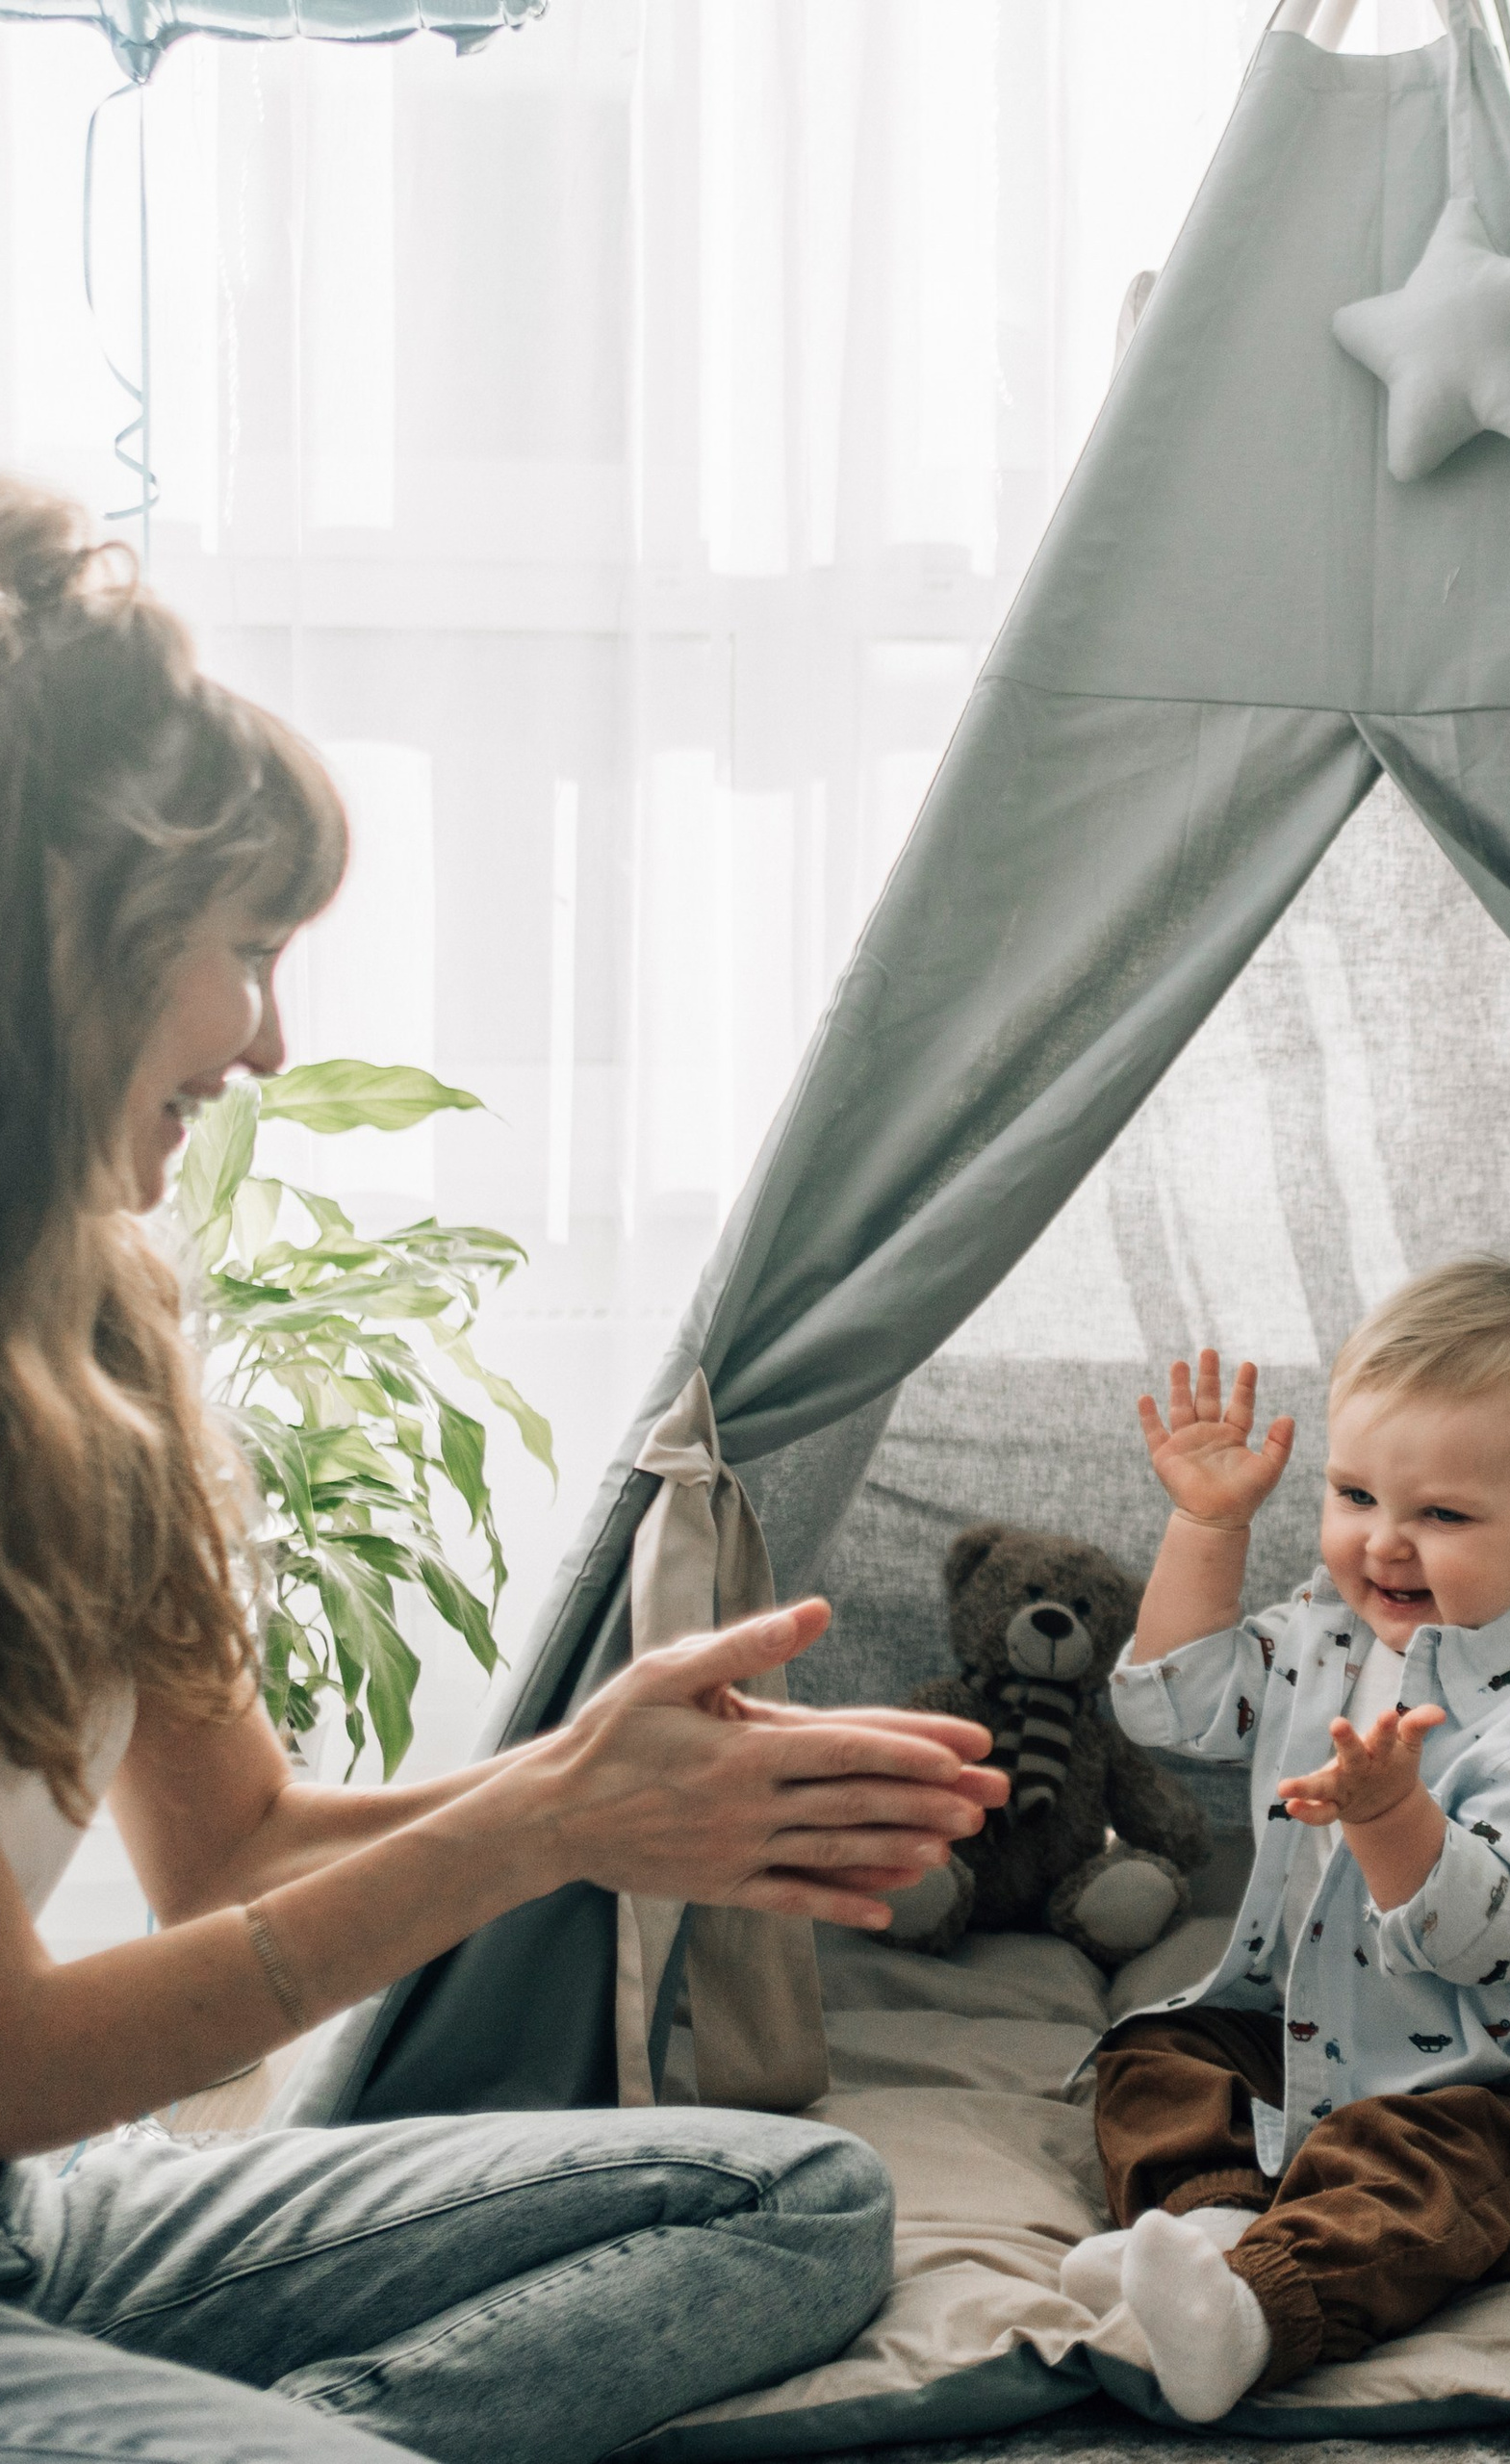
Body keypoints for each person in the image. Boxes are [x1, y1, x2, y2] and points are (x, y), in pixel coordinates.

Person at [0, 476, 1009, 2463]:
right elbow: (20, 2055)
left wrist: (631, 1794)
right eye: (244, 948)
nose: (272, 1040)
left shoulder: (106, 1346)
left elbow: (237, 1853)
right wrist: (541, 1821)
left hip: (38, 2234)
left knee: (789, 2202)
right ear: (71, 953)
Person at [1062, 1262, 1510, 2424]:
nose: (1383, 1544)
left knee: (1437, 2175)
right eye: (1351, 1493)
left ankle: (1255, 2311)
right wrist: (1207, 1524)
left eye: (1441, 1514)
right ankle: (1211, 2228)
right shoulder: (1324, 1632)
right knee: (1161, 2054)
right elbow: (1171, 1707)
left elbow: (1476, 1947)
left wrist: (1391, 1818)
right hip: (1315, 2037)